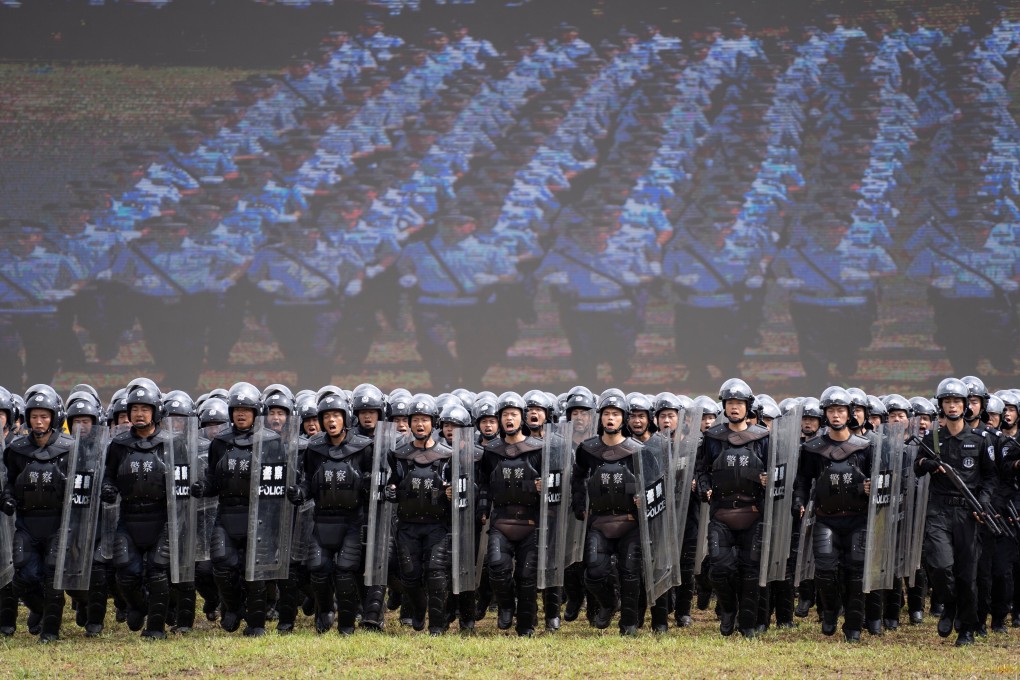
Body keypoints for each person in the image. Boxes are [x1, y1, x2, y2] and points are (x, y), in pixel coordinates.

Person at [190, 382, 283, 637]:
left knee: (254, 573)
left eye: (246, 409)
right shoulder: (220, 442)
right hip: (227, 513)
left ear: (256, 412)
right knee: (221, 565)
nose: (241, 414)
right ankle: (232, 608)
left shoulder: (272, 442)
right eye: (236, 409)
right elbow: (213, 480)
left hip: (259, 517)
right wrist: (202, 486)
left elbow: (280, 482)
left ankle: (256, 624)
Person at [914, 378, 997, 647]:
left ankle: (967, 629)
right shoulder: (933, 437)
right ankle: (949, 606)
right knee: (939, 566)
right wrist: (930, 465)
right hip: (938, 511)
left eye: (957, 402)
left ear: (965, 406)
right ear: (941, 405)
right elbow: (917, 465)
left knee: (966, 574)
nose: (952, 406)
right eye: (947, 401)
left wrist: (981, 504)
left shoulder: (980, 439)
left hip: (968, 513)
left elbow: (990, 478)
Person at [287, 390, 373, 635]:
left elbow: (373, 481)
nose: (331, 421)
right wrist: (300, 492)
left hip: (351, 522)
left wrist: (369, 484)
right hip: (321, 521)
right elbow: (308, 481)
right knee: (317, 570)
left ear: (345, 418)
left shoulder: (363, 447)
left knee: (345, 572)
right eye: (327, 416)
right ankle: (324, 610)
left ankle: (347, 624)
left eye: (336, 415)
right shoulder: (314, 448)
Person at [397, 214, 516, 390]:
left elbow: (512, 276)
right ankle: (445, 378)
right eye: (447, 222)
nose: (453, 227)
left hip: (472, 304)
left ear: (473, 225)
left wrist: (494, 278)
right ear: (439, 224)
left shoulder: (489, 250)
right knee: (432, 343)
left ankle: (471, 378)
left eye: (460, 223)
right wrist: (408, 275)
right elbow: (403, 265)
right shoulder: (417, 248)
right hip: (431, 302)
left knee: (475, 345)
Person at [793, 386, 874, 643]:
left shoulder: (865, 447)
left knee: (855, 574)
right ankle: (829, 610)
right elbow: (803, 481)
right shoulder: (813, 449)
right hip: (825, 519)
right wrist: (800, 501)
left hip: (858, 519)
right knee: (825, 572)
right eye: (831, 410)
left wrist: (873, 487)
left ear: (849, 413)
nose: (836, 415)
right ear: (824, 414)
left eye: (840, 410)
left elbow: (882, 480)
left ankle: (853, 626)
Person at [101, 379, 177, 639]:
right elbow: (108, 476)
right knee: (126, 573)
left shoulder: (172, 444)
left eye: (145, 409)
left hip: (161, 518)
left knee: (157, 573)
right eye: (134, 409)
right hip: (129, 517)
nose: (139, 414)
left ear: (156, 411)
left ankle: (156, 628)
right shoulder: (119, 445)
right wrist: (108, 489)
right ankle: (137, 605)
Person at [695, 378, 770, 638]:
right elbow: (702, 470)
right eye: (730, 403)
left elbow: (776, 473)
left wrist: (768, 480)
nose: (734, 407)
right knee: (720, 568)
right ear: (724, 406)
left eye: (739, 403)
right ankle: (727, 610)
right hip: (722, 514)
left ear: (748, 406)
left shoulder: (762, 436)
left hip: (753, 514)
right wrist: (704, 489)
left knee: (750, 572)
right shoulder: (712, 437)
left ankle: (747, 623)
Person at [0, 385, 75, 642]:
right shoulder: (18, 449)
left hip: (57, 523)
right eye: (34, 416)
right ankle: (42, 611)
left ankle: (51, 631)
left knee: (53, 575)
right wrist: (8, 498)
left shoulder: (70, 448)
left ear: (54, 417)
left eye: (44, 416)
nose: (39, 421)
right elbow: (9, 481)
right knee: (24, 576)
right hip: (27, 523)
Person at [570, 393, 647, 636]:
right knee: (593, 571)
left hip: (630, 522)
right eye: (606, 414)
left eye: (615, 414)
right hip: (599, 522)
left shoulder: (637, 450)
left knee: (630, 573)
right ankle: (609, 602)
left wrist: (643, 499)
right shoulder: (588, 449)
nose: (610, 418)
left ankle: (630, 623)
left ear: (623, 418)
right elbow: (578, 477)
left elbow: (652, 482)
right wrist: (580, 505)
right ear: (600, 418)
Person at [384, 395, 454, 636]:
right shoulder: (398, 454)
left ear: (433, 423)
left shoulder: (447, 455)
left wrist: (453, 491)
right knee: (410, 576)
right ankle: (418, 607)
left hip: (437, 526)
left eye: (425, 420)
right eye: (416, 420)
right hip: (407, 526)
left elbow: (463, 487)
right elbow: (391, 483)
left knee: (435, 574)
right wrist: (390, 491)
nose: (420, 424)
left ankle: (436, 625)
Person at [478, 392, 544, 636]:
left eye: (514, 414)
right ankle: (506, 605)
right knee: (496, 567)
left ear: (522, 418)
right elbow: (484, 483)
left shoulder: (538, 449)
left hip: (531, 521)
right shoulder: (492, 450)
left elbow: (554, 484)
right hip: (501, 520)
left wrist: (542, 486)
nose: (509, 419)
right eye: (505, 414)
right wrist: (483, 509)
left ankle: (526, 624)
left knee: (527, 576)